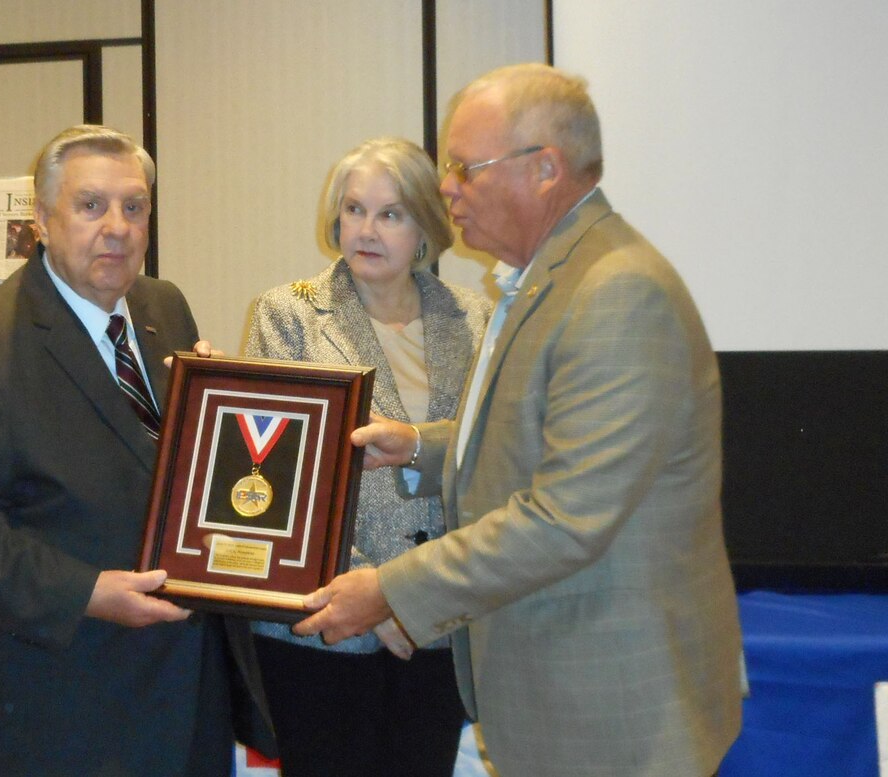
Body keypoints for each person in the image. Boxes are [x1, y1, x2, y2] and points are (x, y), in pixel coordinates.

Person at [294, 63, 744, 777]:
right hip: (560, 691)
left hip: (612, 710)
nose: (445, 187)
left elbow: (566, 516)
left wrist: (388, 588)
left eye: (466, 168)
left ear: (544, 170)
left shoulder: (614, 293)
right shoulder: (551, 276)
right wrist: (417, 446)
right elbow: (525, 437)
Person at [0, 125, 274, 776]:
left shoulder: (164, 306)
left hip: (183, 698)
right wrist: (85, 591)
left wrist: (224, 416)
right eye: (91, 205)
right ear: (42, 220)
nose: (117, 227)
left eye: (134, 206)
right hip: (50, 711)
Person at [245, 137, 490, 776]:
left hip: (437, 623)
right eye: (354, 210)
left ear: (426, 230)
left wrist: (414, 602)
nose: (367, 229)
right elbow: (280, 480)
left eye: (391, 214)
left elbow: (486, 462)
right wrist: (381, 604)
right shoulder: (288, 313)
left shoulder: (475, 317)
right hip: (328, 622)